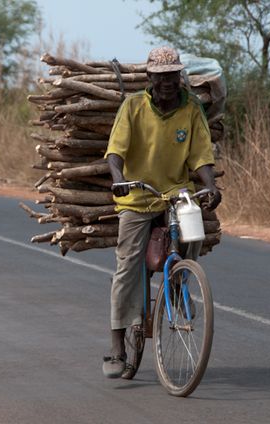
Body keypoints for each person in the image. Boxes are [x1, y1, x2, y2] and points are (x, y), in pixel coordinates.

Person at [102, 46, 221, 378]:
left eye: (172, 75)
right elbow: (115, 151)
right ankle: (117, 346)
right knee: (127, 265)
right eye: (160, 76)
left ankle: (182, 283)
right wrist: (119, 180)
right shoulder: (134, 107)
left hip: (174, 190)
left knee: (192, 226)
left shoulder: (191, 109)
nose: (167, 82)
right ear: (149, 77)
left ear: (179, 76)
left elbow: (201, 154)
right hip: (138, 194)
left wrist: (210, 185)